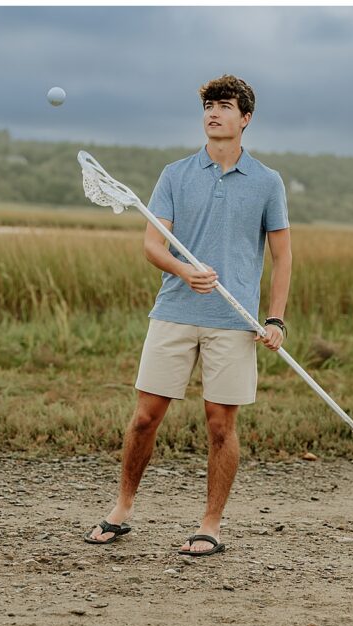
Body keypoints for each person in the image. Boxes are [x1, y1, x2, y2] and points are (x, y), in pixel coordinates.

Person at [84, 74, 291, 556]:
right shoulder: (175, 174)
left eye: (225, 105)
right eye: (209, 106)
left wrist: (276, 320)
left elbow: (282, 258)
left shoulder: (267, 182)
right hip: (175, 312)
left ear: (246, 118)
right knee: (144, 419)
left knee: (221, 425)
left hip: (235, 321)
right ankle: (122, 510)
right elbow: (153, 245)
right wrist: (184, 269)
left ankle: (210, 525)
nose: (214, 113)